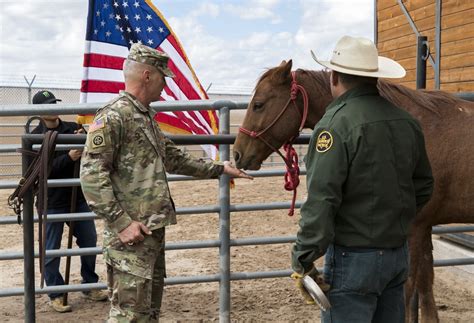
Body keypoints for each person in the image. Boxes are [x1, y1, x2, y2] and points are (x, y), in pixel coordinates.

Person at [80, 43, 252, 322]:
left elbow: (174, 158)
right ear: (148, 75)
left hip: (150, 230)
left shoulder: (145, 116)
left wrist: (219, 168)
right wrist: (122, 223)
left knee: (148, 312)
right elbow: (91, 175)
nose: (165, 86)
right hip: (130, 236)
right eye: (163, 77)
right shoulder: (113, 116)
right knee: (128, 315)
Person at [290, 36, 434, 322]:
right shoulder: (406, 122)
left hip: (353, 259)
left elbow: (322, 200)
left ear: (334, 77)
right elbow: (424, 184)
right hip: (396, 254)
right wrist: (393, 221)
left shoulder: (334, 125)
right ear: (374, 78)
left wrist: (303, 258)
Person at [31, 90, 108, 313]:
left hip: (77, 198)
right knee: (50, 249)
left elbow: (93, 152)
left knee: (89, 240)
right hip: (52, 201)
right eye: (48, 106)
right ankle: (56, 292)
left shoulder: (72, 129)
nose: (53, 108)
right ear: (39, 111)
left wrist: (85, 142)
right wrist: (69, 157)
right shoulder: (35, 136)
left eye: (54, 104)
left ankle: (89, 283)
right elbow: (38, 171)